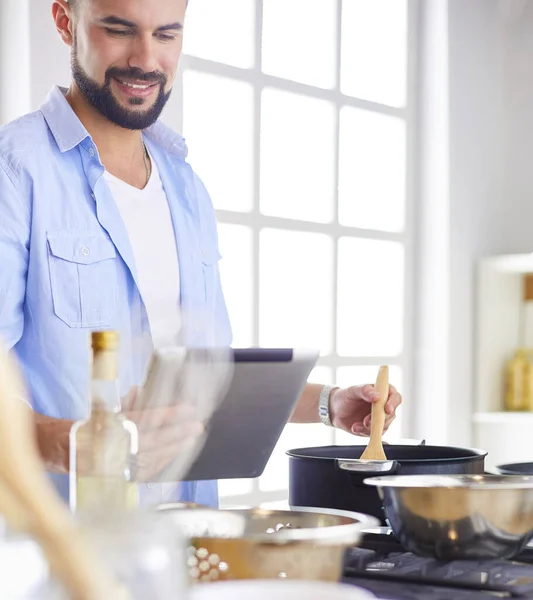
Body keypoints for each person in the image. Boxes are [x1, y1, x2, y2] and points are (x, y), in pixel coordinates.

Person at [0, 0, 402, 507]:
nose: (146, 60)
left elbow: (203, 378)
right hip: (65, 557)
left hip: (189, 541)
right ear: (65, 22)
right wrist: (74, 447)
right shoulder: (14, 172)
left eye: (167, 35)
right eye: (120, 30)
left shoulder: (186, 188)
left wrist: (328, 404)